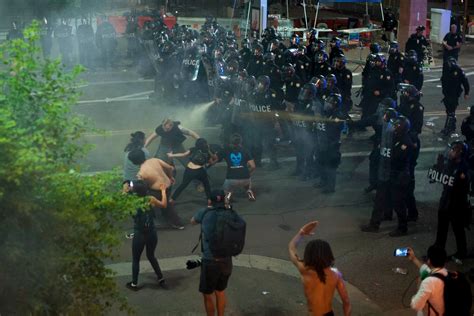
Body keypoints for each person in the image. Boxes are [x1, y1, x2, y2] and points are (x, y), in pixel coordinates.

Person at [288, 221, 351, 316]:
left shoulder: (305, 270)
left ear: (308, 254)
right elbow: (346, 301)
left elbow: (291, 248)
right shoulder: (336, 274)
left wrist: (301, 233)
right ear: (328, 254)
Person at [191, 190, 234, 316]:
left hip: (210, 261)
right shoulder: (229, 212)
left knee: (207, 293)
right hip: (226, 260)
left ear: (210, 200)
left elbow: (192, 221)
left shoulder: (204, 212)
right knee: (220, 291)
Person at [123, 180, 168, 291]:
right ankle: (161, 278)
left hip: (139, 233)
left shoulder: (131, 201)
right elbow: (164, 204)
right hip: (152, 232)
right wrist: (163, 191)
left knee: (136, 259)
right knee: (151, 256)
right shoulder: (150, 199)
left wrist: (125, 190)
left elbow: (122, 198)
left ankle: (134, 283)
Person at [434, 141, 469, 260]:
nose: (451, 152)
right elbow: (442, 177)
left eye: (454, 150)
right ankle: (437, 251)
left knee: (458, 229)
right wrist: (438, 165)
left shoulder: (463, 168)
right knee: (441, 229)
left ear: (460, 153)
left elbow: (460, 187)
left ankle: (462, 252)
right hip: (446, 200)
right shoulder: (449, 163)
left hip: (456, 203)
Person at [138, 157, 184, 229]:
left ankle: (177, 223)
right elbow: (170, 167)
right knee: (166, 204)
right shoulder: (155, 160)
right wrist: (170, 177)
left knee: (164, 205)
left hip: (157, 190)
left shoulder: (142, 172)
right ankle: (170, 218)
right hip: (167, 185)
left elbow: (142, 186)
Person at [168, 138, 218, 204]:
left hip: (189, 170)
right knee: (206, 185)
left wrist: (172, 155)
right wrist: (214, 158)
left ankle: (172, 200)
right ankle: (209, 200)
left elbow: (183, 155)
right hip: (200, 171)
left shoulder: (193, 149)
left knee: (183, 185)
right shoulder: (208, 153)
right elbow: (211, 162)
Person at [407, 245, 448, 315]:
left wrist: (420, 282)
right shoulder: (447, 273)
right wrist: (413, 258)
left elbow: (415, 305)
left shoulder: (429, 282)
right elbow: (425, 269)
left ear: (429, 261)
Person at [218, 133, 256, 202]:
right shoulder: (245, 150)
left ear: (230, 141)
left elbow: (215, 157)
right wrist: (248, 173)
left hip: (231, 179)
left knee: (227, 189)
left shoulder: (225, 150)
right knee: (247, 181)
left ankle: (228, 196)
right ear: (241, 141)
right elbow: (253, 166)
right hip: (245, 178)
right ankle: (249, 191)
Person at [440, 57, 470, 136]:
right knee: (449, 111)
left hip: (454, 94)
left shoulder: (458, 70)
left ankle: (449, 128)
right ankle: (451, 127)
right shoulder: (446, 69)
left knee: (451, 112)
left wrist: (466, 92)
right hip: (447, 94)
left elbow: (465, 82)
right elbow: (443, 81)